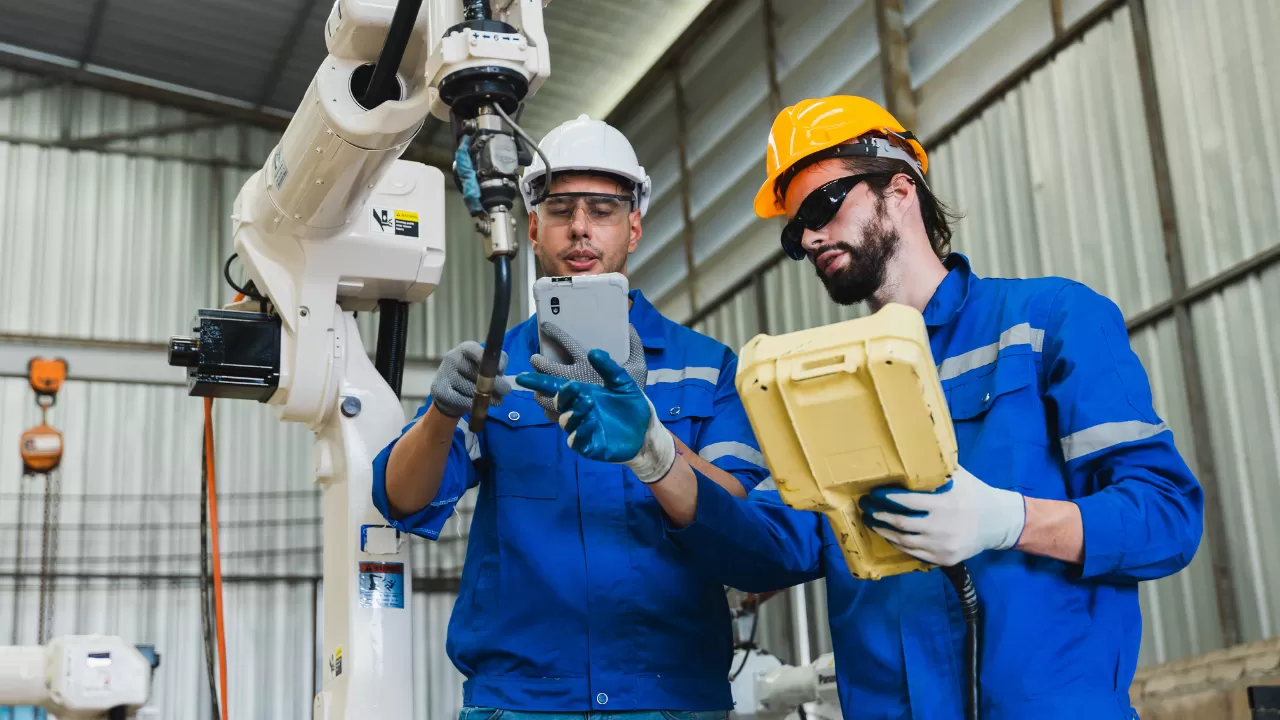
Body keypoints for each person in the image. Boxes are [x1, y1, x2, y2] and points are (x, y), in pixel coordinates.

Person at [517, 97, 1204, 719]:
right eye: (795, 234)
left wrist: (1008, 520)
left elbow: (1166, 517)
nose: (809, 240)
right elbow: (768, 550)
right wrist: (657, 455)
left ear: (899, 189)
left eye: (822, 207)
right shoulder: (817, 383)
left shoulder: (1044, 322)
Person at [371, 114, 769, 719]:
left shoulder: (704, 368)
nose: (580, 228)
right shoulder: (498, 369)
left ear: (633, 227)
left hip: (668, 699)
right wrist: (442, 415)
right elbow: (401, 498)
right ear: (531, 227)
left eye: (603, 210)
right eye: (560, 208)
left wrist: (652, 439)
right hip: (524, 702)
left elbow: (740, 516)